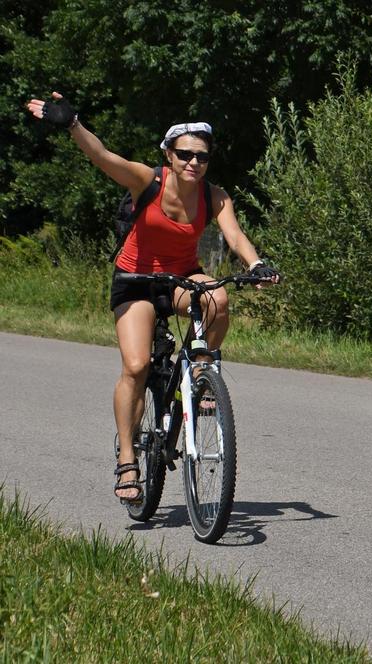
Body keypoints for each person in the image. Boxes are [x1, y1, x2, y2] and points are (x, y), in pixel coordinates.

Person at [27, 92, 280, 504]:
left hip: (179, 277)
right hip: (135, 279)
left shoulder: (215, 196)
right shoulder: (148, 180)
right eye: (184, 154)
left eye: (201, 156)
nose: (193, 163)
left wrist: (256, 265)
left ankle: (201, 375)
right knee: (136, 365)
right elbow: (103, 157)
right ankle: (128, 459)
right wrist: (73, 124)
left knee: (217, 298)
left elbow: (234, 236)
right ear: (169, 154)